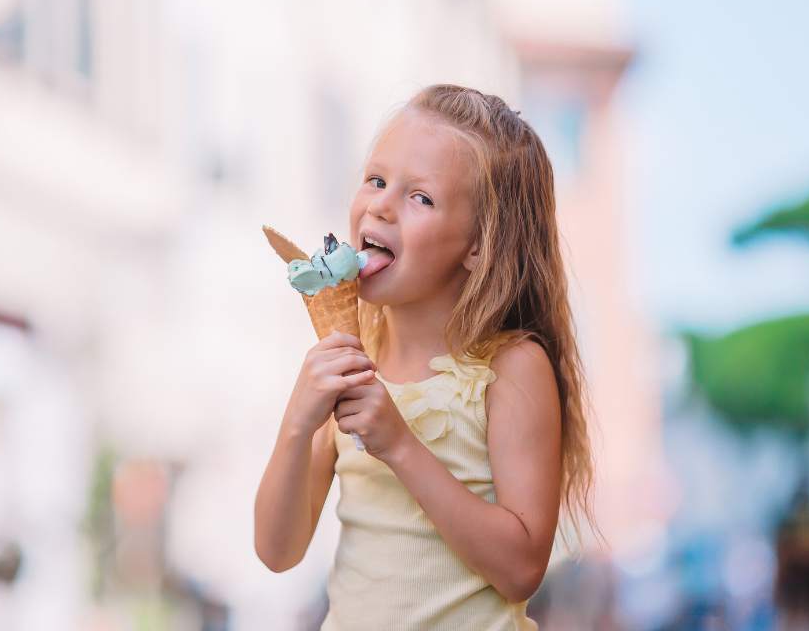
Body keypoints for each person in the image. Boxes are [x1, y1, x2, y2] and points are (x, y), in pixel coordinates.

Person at [254, 84, 598, 631]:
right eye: (377, 179)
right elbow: (277, 550)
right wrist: (299, 422)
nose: (381, 206)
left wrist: (401, 446)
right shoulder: (350, 361)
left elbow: (521, 569)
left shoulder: (510, 367)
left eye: (421, 198)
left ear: (479, 245)